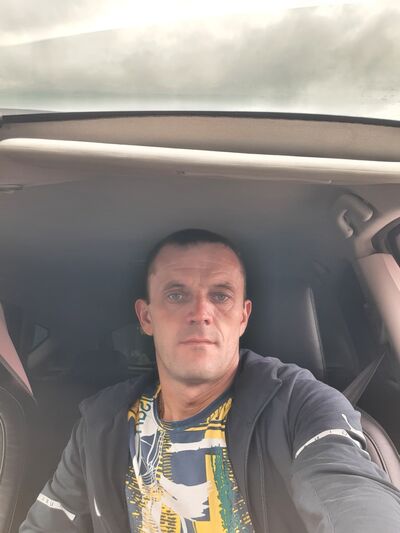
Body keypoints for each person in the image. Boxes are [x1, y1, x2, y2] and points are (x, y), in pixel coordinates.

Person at [21, 229, 400, 532]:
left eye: (220, 296)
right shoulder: (100, 426)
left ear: (243, 317)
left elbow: (351, 490)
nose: (201, 312)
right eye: (176, 295)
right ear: (146, 317)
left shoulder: (300, 404)